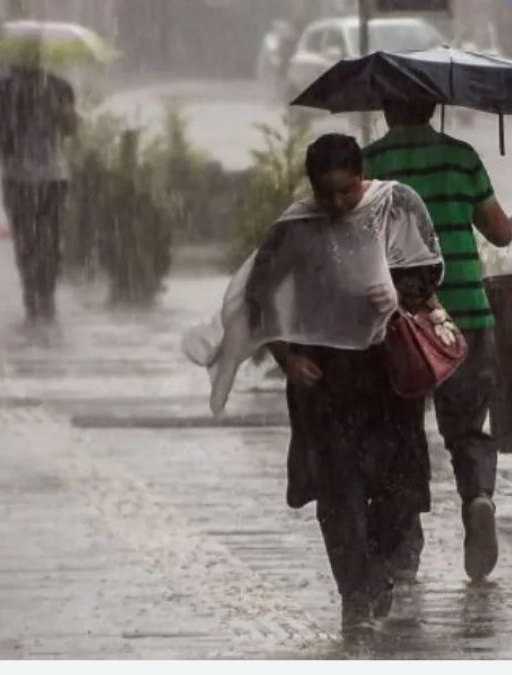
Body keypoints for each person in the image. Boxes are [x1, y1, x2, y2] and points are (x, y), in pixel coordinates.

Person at [189, 134, 445, 638]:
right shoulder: (297, 227)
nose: (336, 205)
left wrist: (395, 294)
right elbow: (262, 296)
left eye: (346, 192)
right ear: (311, 187)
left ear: (362, 175)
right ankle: (355, 595)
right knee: (339, 492)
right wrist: (289, 355)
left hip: (388, 376)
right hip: (325, 382)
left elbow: (428, 274)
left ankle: (379, 572)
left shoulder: (396, 207)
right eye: (325, 194)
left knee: (397, 488)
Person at [364, 101, 512, 584]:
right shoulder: (461, 156)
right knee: (468, 426)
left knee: (399, 434)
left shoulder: (370, 164)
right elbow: (501, 231)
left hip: (398, 319)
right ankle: (478, 499)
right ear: (435, 106)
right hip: (464, 315)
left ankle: (405, 547)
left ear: (386, 108)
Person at [0, 59, 78, 324]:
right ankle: (33, 292)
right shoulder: (7, 89)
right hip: (20, 177)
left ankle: (44, 293)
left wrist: (62, 112)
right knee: (27, 240)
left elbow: (72, 129)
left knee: (48, 239)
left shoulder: (60, 87)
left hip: (51, 177)